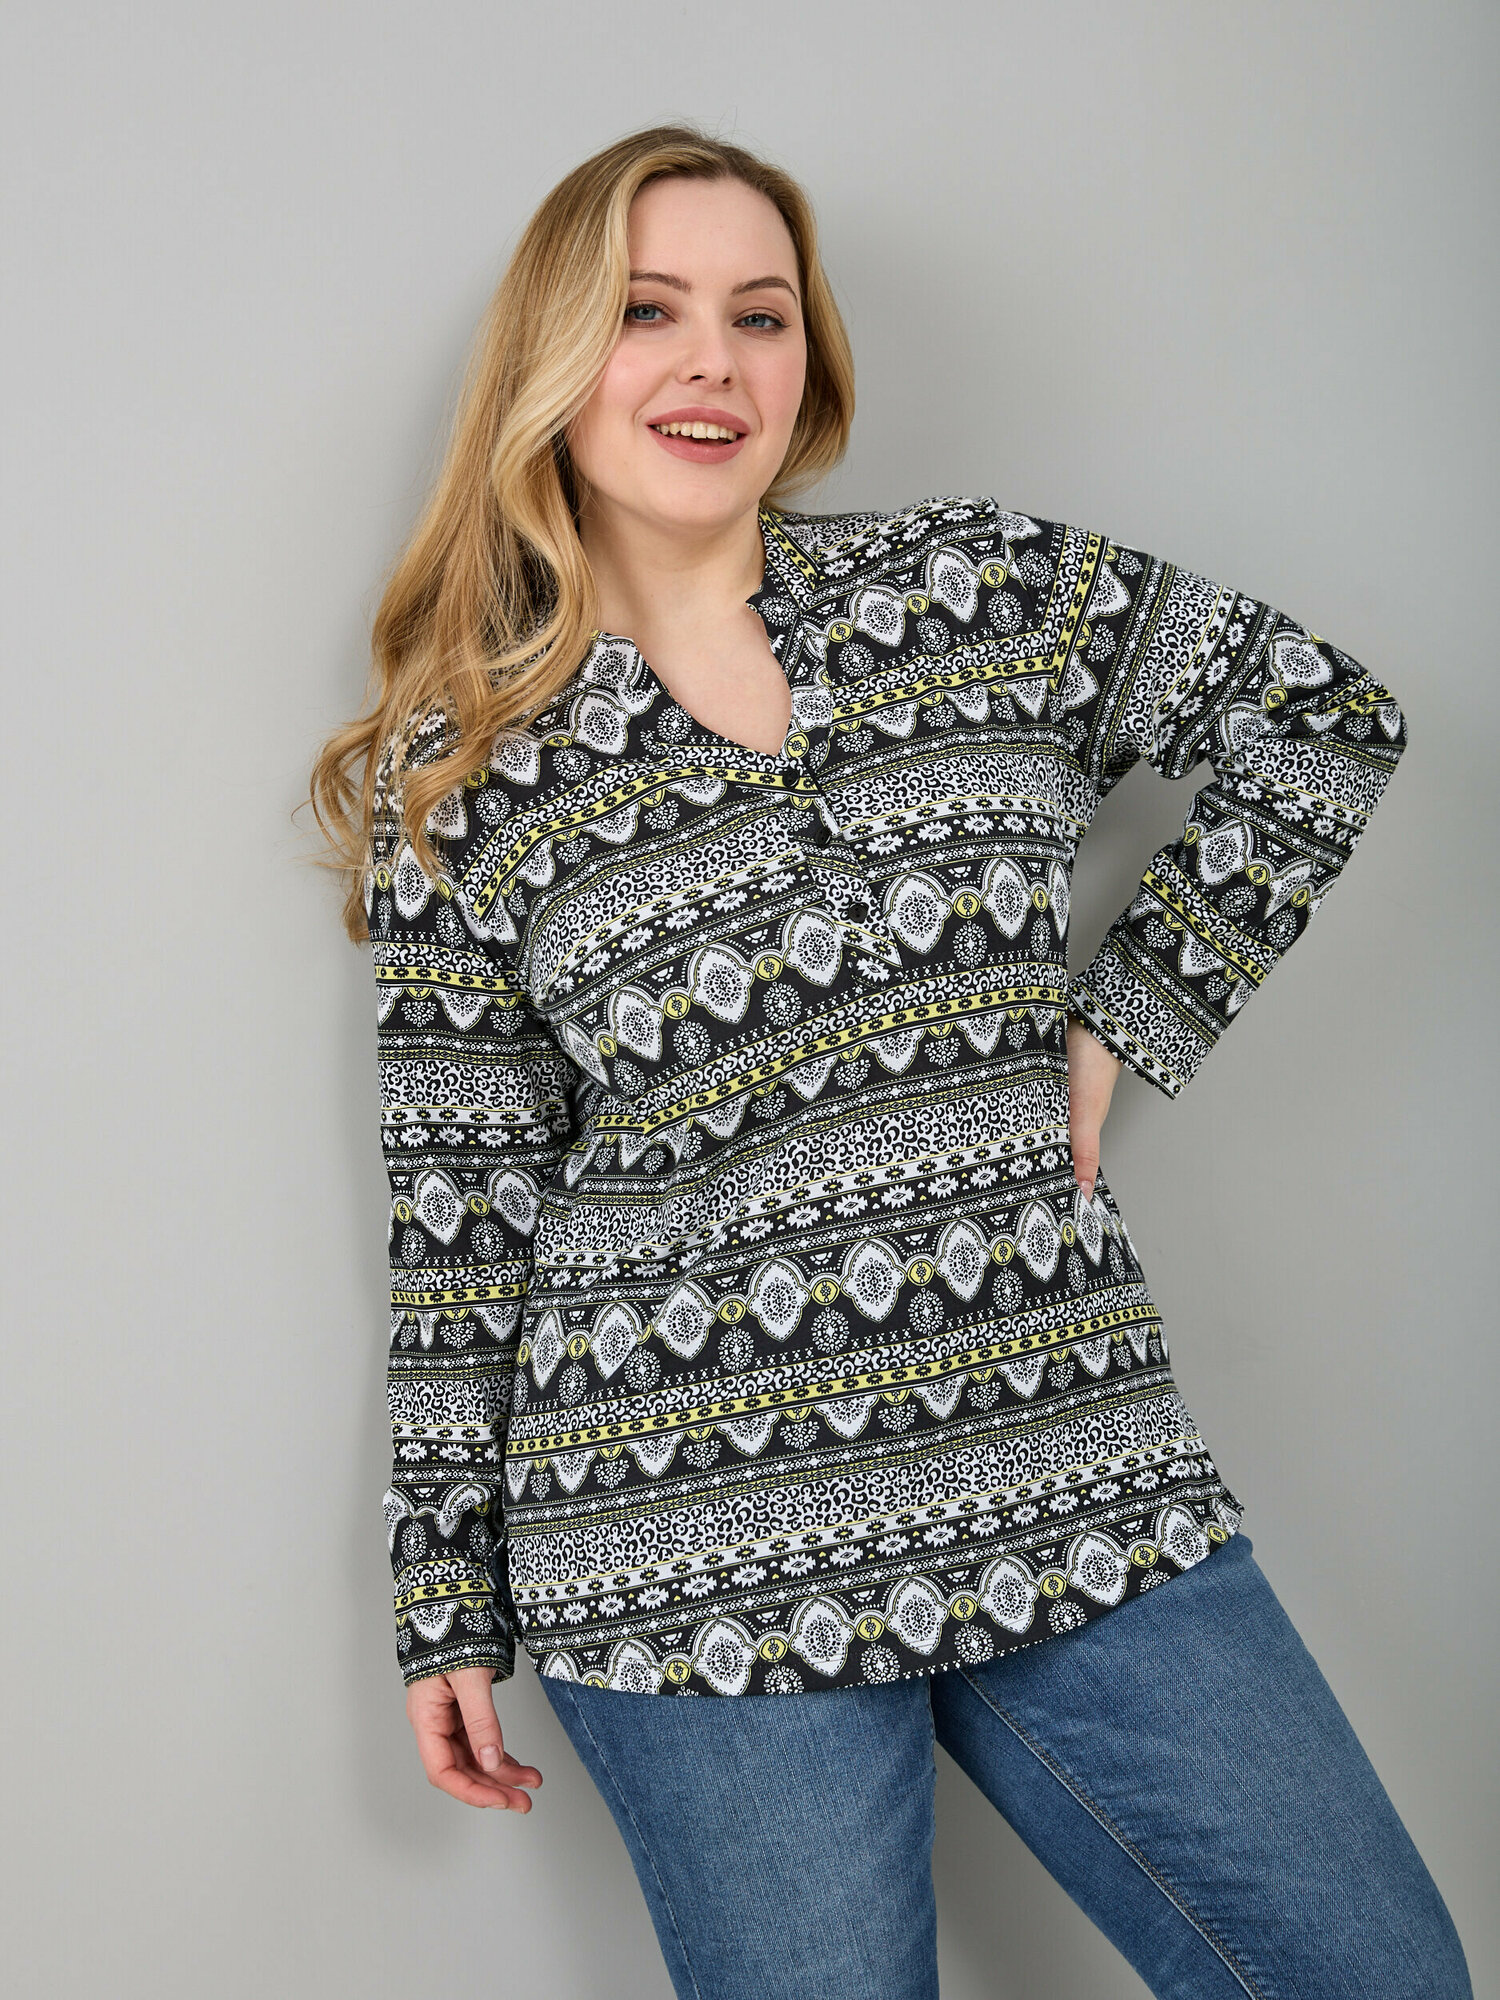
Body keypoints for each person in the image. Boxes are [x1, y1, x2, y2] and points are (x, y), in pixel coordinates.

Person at [311, 125, 1471, 2000]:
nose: (712, 362)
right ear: (553, 360)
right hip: (688, 1549)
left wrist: (1122, 1026)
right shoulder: (461, 770)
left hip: (1063, 1460)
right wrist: (443, 1591)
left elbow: (1320, 719)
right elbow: (464, 1217)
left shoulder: (984, 589)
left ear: (810, 360)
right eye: (646, 313)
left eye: (759, 315)